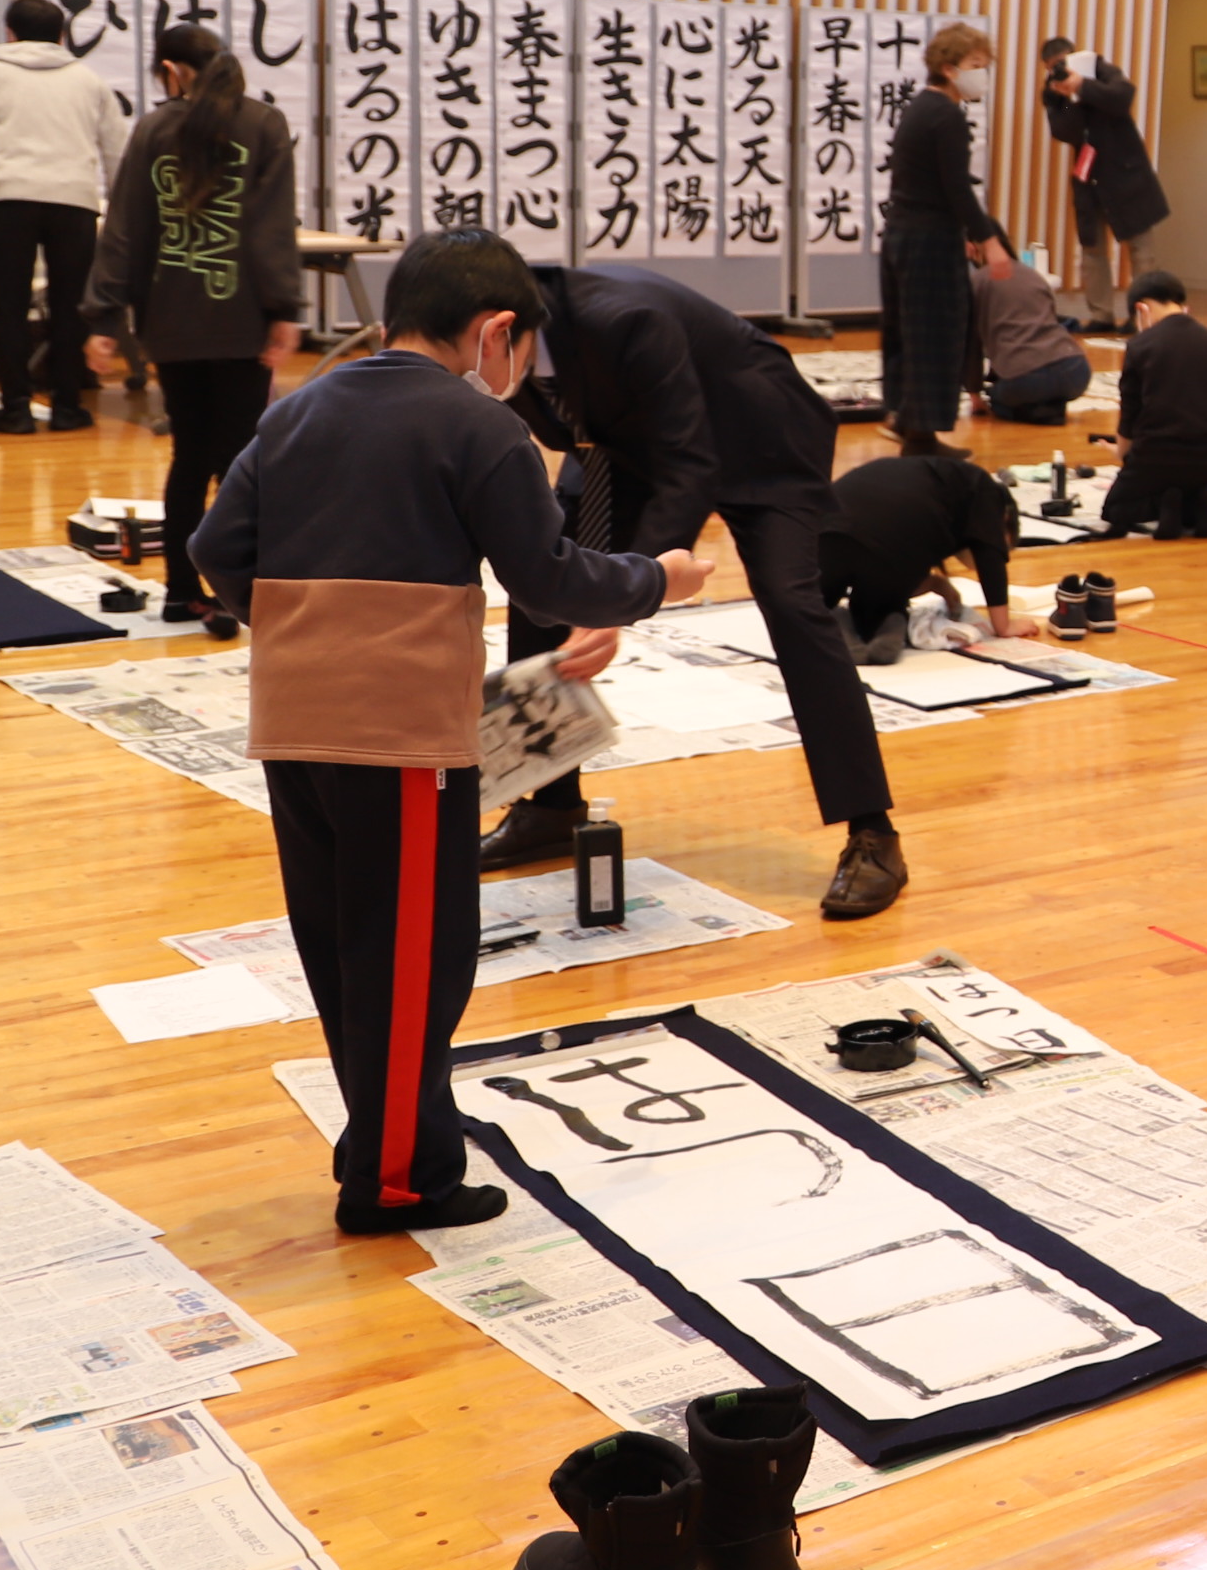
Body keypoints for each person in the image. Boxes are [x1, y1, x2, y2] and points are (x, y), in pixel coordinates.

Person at [191, 229, 705, 1233]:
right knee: (418, 959)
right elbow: (549, 575)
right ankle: (396, 1178)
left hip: (293, 722)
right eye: (520, 356)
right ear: (495, 332)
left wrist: (308, 625)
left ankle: (398, 1135)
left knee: (346, 946)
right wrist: (661, 580)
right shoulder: (479, 429)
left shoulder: (297, 410)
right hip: (402, 738)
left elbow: (217, 550)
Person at [485, 261, 911, 920]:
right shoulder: (507, 345)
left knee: (793, 604)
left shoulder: (627, 321)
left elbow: (691, 466)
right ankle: (550, 802)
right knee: (544, 576)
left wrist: (628, 595)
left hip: (758, 440)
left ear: (502, 328)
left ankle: (874, 833)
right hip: (631, 447)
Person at [82, 24, 307, 629]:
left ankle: (182, 592)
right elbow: (270, 226)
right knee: (241, 463)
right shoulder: (264, 125)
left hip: (171, 322)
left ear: (173, 71)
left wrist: (106, 316)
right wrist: (285, 309)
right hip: (241, 325)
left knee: (189, 458)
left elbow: (125, 227)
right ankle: (242, 590)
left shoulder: (155, 129)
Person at [0, 0, 132, 434]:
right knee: (71, 307)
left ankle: (15, 408)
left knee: (9, 307)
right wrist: (121, 213)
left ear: (9, 33)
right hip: (75, 201)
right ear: (62, 35)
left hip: (8, 198)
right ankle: (68, 406)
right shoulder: (88, 80)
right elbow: (117, 151)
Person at [879, 24, 1006, 456]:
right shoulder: (947, 115)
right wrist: (987, 239)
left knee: (907, 331)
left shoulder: (919, 108)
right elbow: (957, 187)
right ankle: (922, 436)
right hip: (929, 242)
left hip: (901, 235)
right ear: (949, 69)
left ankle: (905, 419)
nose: (983, 74)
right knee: (935, 332)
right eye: (976, 67)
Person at [821, 451, 1039, 659]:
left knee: (816, 604)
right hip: (885, 542)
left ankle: (833, 625)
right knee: (880, 611)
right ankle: (879, 635)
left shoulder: (949, 487)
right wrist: (1004, 626)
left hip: (825, 528)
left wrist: (936, 584)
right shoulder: (986, 492)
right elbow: (990, 560)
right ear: (1004, 522)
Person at [1097, 271, 1207, 539]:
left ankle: (1168, 503)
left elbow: (1130, 418)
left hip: (1157, 458)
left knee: (1117, 510)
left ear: (1141, 309)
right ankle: (1199, 504)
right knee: (1193, 485)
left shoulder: (1140, 346)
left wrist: (1121, 454)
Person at [1034, 38, 1167, 332]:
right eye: (1052, 69)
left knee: (1141, 249)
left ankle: (1143, 315)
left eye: (1061, 66)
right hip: (1089, 178)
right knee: (1093, 251)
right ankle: (1101, 314)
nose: (1058, 72)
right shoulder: (1053, 92)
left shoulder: (1100, 69)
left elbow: (1121, 97)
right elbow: (1065, 131)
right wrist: (1067, 96)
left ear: (1073, 58)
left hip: (1126, 173)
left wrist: (1082, 86)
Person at [974, 248, 1090, 427]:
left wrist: (975, 395)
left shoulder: (978, 280)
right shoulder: (1032, 275)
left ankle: (1038, 410)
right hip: (1076, 369)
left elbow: (970, 345)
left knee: (996, 397)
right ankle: (1052, 405)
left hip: (1025, 377)